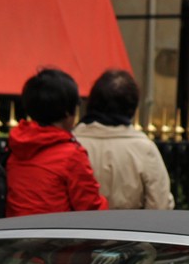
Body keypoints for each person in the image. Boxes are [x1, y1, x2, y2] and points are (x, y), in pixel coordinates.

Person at [5, 67, 107, 217]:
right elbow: (90, 209)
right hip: (54, 236)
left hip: (14, 233)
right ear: (68, 112)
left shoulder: (16, 144)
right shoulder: (71, 155)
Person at [72, 69, 173, 210]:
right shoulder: (144, 149)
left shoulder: (71, 144)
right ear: (132, 108)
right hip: (130, 230)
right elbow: (159, 204)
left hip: (77, 230)